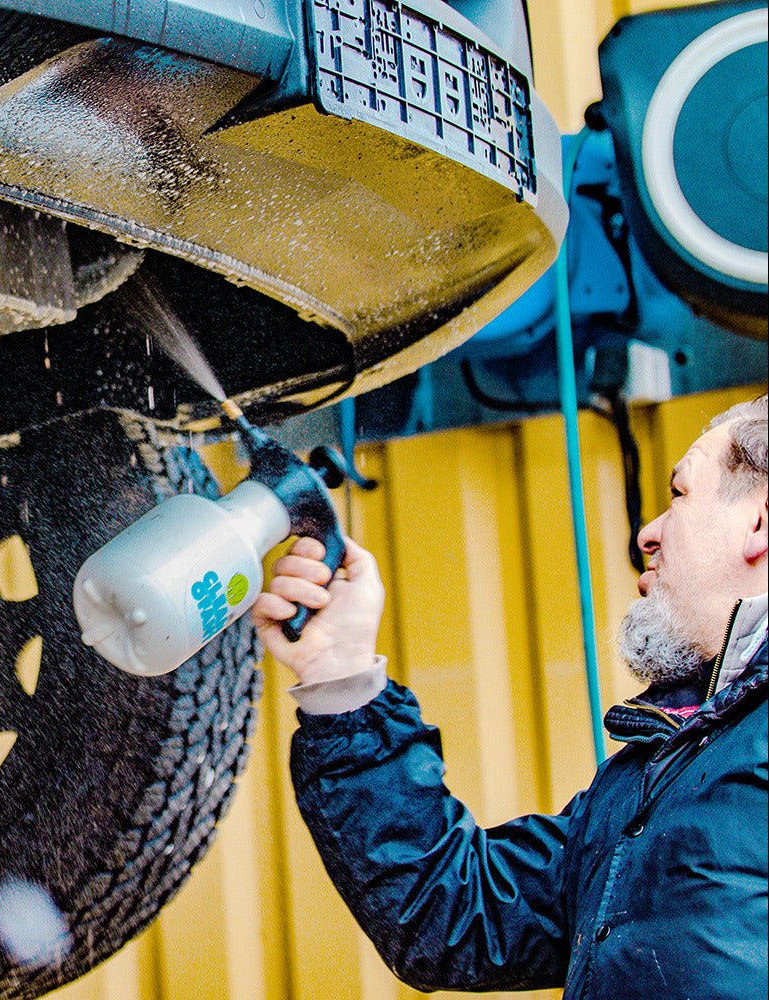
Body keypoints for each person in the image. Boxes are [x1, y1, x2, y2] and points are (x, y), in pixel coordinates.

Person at [252, 395, 768, 997]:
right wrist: (340, 677)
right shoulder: (647, 782)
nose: (648, 534)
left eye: (679, 494)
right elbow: (454, 916)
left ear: (758, 522)